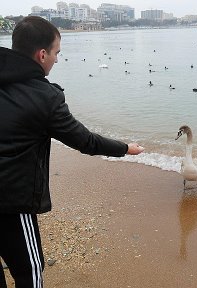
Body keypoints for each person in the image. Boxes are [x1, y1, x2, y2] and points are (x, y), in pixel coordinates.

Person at [0, 16, 144, 287]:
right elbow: (85, 141)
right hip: (9, 200)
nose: (56, 59)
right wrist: (125, 148)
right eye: (56, 53)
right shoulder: (45, 97)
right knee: (29, 270)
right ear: (42, 55)